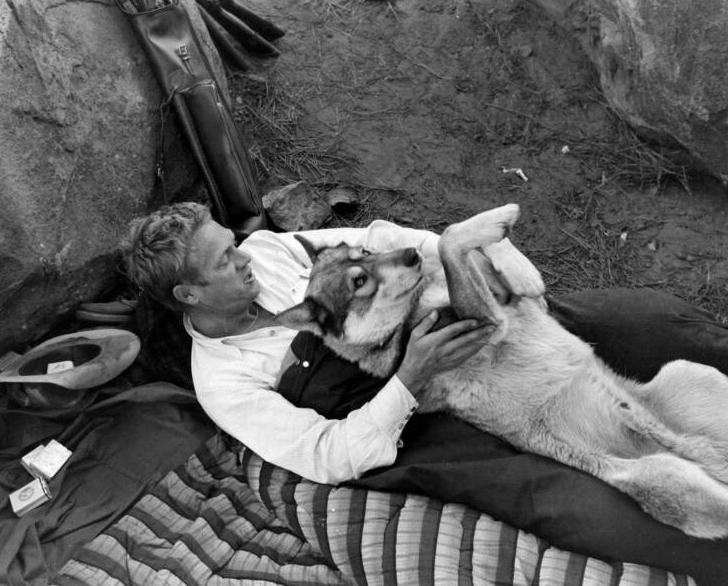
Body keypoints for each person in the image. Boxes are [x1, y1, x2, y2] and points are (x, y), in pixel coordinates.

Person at [121, 201, 494, 484]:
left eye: (233, 244)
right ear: (189, 294)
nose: (245, 257)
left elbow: (370, 242)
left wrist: (445, 249)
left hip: (438, 324)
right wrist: (412, 375)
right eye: (224, 262)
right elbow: (328, 454)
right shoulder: (223, 385)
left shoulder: (264, 251)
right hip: (407, 416)